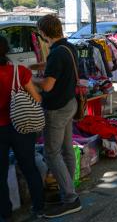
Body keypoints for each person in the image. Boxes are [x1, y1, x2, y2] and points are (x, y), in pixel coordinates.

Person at [31, 14, 82, 218]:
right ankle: (68, 189)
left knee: (52, 153)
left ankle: (70, 198)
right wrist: (37, 67)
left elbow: (47, 85)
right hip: (70, 103)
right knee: (67, 150)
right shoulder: (68, 47)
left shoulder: (56, 53)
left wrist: (29, 78)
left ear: (43, 33)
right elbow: (57, 68)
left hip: (57, 108)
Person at [0, 36, 44, 220]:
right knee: (29, 167)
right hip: (22, 126)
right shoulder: (19, 72)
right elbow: (37, 99)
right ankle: (38, 207)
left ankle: (5, 213)